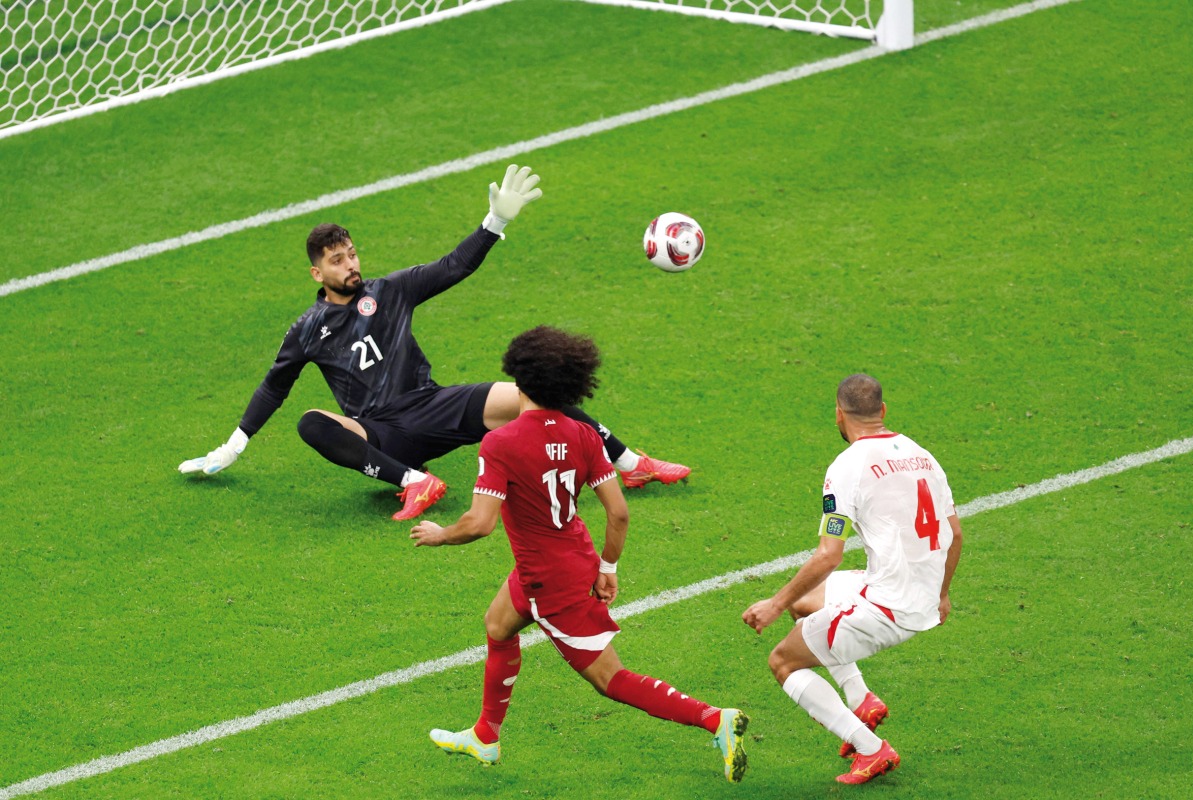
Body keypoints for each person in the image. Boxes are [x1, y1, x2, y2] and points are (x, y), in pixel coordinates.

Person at [178, 165, 690, 520]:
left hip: (433, 406)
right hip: (380, 434)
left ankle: (632, 465)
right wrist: (233, 447)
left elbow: (453, 266)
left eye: (352, 253)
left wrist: (497, 221)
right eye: (338, 260)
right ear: (318, 271)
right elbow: (274, 387)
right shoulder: (307, 329)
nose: (351, 264)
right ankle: (413, 482)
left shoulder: (391, 291)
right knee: (311, 423)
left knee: (538, 392)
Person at [410, 326, 749, 782]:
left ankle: (715, 718)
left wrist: (440, 534)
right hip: (571, 559)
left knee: (611, 679)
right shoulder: (585, 434)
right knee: (497, 625)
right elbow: (620, 513)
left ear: (520, 377)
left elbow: (480, 523)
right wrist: (607, 566)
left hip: (551, 583)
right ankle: (485, 736)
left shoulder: (501, 443)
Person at [742, 374, 963, 786]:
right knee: (803, 601)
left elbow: (829, 555)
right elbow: (956, 534)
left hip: (887, 608)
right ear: (882, 412)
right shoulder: (922, 455)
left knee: (783, 662)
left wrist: (771, 604)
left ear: (839, 415)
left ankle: (871, 749)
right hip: (917, 592)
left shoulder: (846, 467)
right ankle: (861, 700)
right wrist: (943, 593)